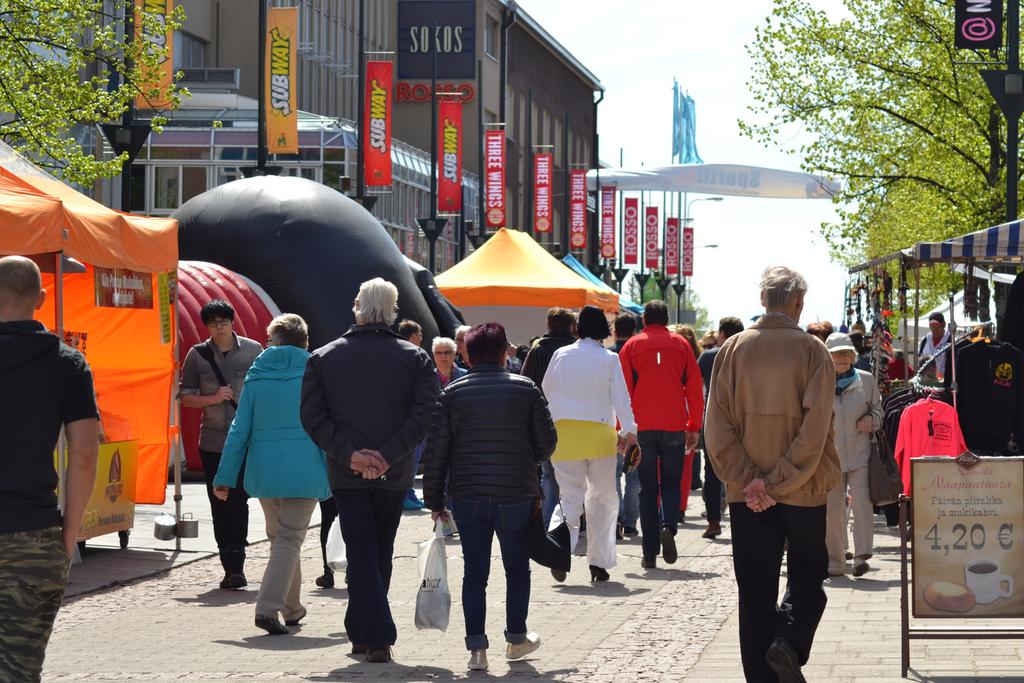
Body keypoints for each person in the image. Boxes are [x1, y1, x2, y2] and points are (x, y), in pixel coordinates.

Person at [705, 266, 840, 683]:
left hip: (747, 495)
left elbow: (717, 425)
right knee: (807, 573)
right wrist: (778, 480)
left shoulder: (731, 350)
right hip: (803, 489)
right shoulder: (813, 351)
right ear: (798, 303)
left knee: (755, 590)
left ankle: (761, 678)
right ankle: (789, 641)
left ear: (763, 301)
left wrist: (751, 480)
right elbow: (814, 429)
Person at [300, 278, 439, 664]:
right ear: (393, 310)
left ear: (357, 306)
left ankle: (363, 631)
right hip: (393, 473)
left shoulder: (324, 356)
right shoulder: (414, 358)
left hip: (347, 472)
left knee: (363, 552)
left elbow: (312, 418)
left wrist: (351, 456)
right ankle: (375, 634)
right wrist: (388, 455)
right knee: (378, 552)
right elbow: (425, 415)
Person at [424, 322, 557, 672]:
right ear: (503, 353)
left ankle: (477, 651)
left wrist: (434, 500)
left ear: (467, 353)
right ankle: (516, 639)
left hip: (467, 494)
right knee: (517, 568)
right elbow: (547, 443)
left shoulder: (452, 392)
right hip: (516, 492)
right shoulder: (526, 389)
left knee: (475, 573)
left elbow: (437, 451)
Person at [0, 256, 99, 681]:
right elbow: (83, 454)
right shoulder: (67, 363)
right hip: (31, 534)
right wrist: (69, 532)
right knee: (18, 669)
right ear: (41, 298)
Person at [213, 314, 331, 635]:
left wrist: (224, 477)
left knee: (281, 540)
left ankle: (292, 609)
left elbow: (239, 430)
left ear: (273, 341)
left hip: (264, 472)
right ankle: (267, 609)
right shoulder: (316, 372)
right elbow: (324, 428)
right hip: (304, 470)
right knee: (289, 541)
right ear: (304, 341)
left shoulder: (257, 373)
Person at [543, 306, 638, 583]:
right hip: (600, 436)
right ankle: (599, 563)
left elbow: (547, 390)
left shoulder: (561, 355)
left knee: (570, 497)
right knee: (603, 499)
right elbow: (622, 399)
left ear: (577, 327)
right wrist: (630, 432)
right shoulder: (609, 359)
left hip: (565, 435)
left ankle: (559, 550)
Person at [179, 299, 262, 589]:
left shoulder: (253, 350)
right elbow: (185, 396)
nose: (219, 326)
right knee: (219, 500)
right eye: (213, 322)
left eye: (223, 320)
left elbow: (263, 393)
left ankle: (237, 561)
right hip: (213, 440)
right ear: (207, 326)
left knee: (238, 499)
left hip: (245, 440)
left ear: (232, 321)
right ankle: (227, 562)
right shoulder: (197, 355)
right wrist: (213, 398)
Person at [619, 300, 704, 569]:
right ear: (667, 319)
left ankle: (649, 551)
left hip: (642, 426)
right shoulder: (681, 345)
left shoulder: (631, 346)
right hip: (674, 424)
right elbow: (694, 387)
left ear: (644, 319)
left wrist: (623, 428)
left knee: (646, 488)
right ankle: (669, 525)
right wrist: (694, 425)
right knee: (670, 482)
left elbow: (623, 391)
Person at [824, 332, 882, 579]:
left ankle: (861, 557)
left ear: (853, 356)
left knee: (862, 504)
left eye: (845, 354)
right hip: (830, 457)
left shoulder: (866, 381)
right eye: (836, 354)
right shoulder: (819, 382)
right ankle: (836, 561)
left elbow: (880, 410)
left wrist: (872, 419)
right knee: (833, 510)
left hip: (860, 454)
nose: (841, 358)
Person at [521, 307, 577, 525]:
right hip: (575, 419)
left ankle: (548, 523)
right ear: (571, 326)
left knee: (549, 474)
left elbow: (526, 381)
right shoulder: (576, 349)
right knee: (574, 474)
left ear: (548, 326)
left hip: (544, 418)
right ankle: (571, 521)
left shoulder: (538, 350)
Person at [697, 316, 745, 539]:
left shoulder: (707, 357)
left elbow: (698, 390)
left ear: (723, 333)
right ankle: (743, 521)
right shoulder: (748, 354)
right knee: (745, 469)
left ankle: (714, 521)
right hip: (743, 420)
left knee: (712, 471)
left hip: (714, 420)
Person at [612, 314, 640, 538]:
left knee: (612, 477)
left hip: (610, 424)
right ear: (634, 331)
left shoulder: (608, 353)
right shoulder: (636, 353)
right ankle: (630, 522)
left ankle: (617, 520)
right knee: (633, 476)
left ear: (614, 331)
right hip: (633, 424)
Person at [398, 319, 428, 511]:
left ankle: (408, 492)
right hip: (406, 416)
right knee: (408, 456)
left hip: (413, 415)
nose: (421, 338)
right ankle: (404, 493)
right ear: (412, 336)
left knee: (414, 457)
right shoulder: (409, 355)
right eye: (419, 334)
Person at [675, 324, 704, 496]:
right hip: (690, 416)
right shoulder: (699, 359)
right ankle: (681, 507)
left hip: (675, 415)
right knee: (686, 466)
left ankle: (671, 507)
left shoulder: (674, 359)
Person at [919, 312, 950, 377]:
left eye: (936, 326)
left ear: (943, 324)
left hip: (945, 381)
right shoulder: (925, 340)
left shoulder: (950, 340)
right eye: (932, 327)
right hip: (927, 380)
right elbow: (920, 359)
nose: (934, 329)